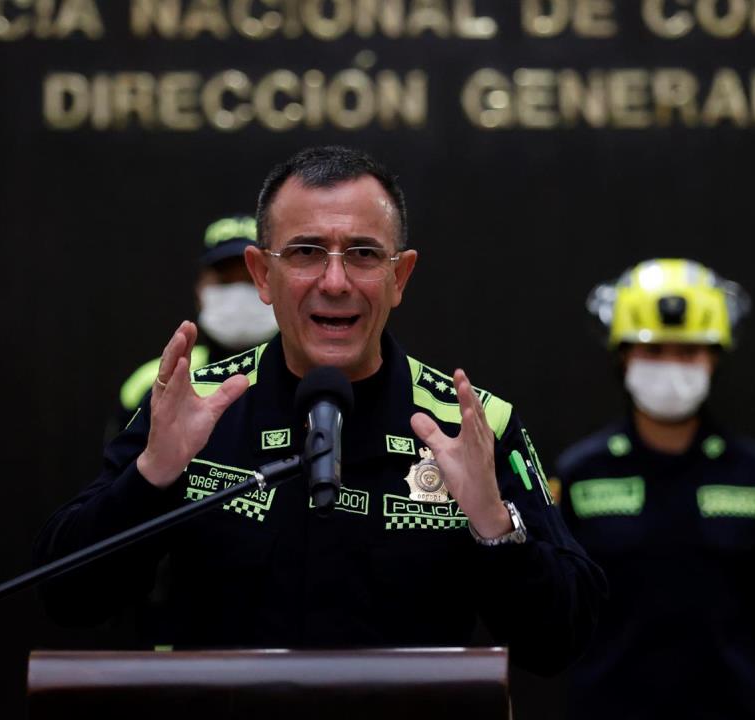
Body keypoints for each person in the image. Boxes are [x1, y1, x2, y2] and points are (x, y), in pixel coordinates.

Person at [35, 147, 604, 675]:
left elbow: (565, 639)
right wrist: (151, 477)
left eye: (363, 254)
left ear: (399, 276)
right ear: (263, 274)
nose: (335, 282)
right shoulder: (198, 407)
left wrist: (494, 526)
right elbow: (67, 597)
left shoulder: (473, 424)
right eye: (306, 252)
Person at [554, 258, 755, 720]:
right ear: (623, 355)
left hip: (729, 707)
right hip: (609, 707)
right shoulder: (580, 473)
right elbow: (563, 609)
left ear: (715, 356)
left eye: (689, 351)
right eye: (653, 349)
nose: (671, 366)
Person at [111, 214, 278, 433]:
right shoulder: (154, 382)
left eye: (251, 279)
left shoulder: (309, 378)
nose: (238, 295)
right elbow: (121, 455)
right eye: (224, 281)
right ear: (199, 290)